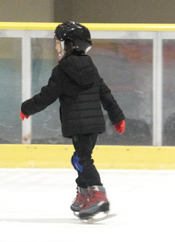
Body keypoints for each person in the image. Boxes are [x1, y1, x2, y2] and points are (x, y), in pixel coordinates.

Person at [20, 21, 126, 219]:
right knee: (79, 158)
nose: (56, 47)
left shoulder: (61, 71)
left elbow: (47, 96)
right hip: (93, 124)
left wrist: (26, 108)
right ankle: (85, 193)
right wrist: (117, 117)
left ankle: (97, 193)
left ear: (69, 44)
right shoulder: (91, 68)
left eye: (58, 43)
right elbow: (105, 94)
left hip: (78, 124)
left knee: (83, 159)